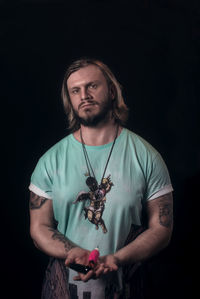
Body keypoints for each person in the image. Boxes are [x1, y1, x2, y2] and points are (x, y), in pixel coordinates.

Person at [29, 58, 173, 299]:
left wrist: (117, 258)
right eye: (75, 90)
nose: (84, 95)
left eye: (92, 86)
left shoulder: (147, 156)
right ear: (70, 99)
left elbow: (162, 228)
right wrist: (73, 252)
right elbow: (38, 228)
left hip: (128, 287)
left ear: (112, 91)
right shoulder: (50, 161)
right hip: (63, 288)